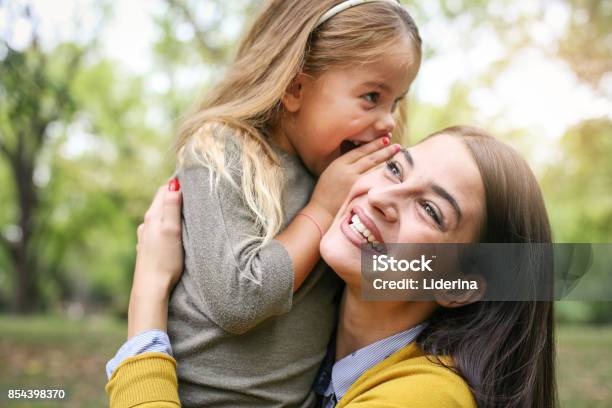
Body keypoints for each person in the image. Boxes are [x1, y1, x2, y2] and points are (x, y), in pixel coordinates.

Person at [106, 0, 422, 406]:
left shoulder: (343, 181)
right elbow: (239, 299)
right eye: (372, 96)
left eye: (394, 102)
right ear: (295, 88)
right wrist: (321, 211)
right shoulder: (224, 150)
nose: (388, 122)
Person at [106, 126, 557, 407]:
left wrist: (148, 296)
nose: (380, 197)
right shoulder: (322, 364)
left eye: (431, 211)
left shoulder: (427, 396)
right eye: (396, 170)